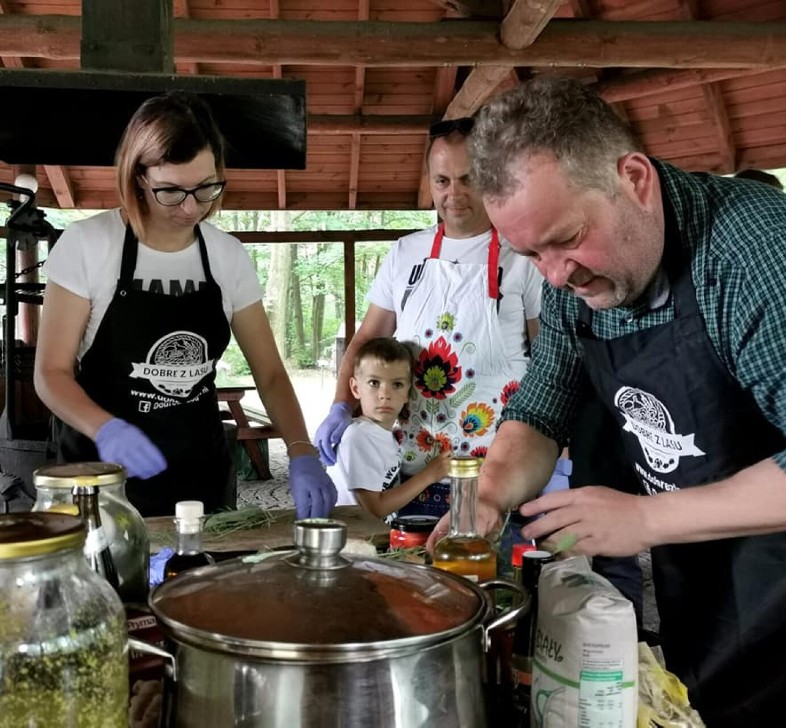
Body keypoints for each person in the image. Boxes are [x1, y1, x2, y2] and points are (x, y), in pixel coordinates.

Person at [425, 76, 786, 727]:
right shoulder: (575, 280)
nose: (556, 275)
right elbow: (541, 409)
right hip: (711, 574)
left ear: (635, 178)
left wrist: (649, 521)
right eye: (529, 253)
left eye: (567, 239)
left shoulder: (770, 258)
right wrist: (488, 494)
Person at [34, 91, 336, 520]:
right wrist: (107, 428)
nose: (192, 207)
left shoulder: (227, 255)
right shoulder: (88, 245)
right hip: (101, 479)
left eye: (206, 187)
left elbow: (268, 372)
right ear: (138, 177)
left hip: (198, 477)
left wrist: (302, 450)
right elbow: (50, 374)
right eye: (171, 191)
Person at [314, 117, 543, 518]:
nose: (454, 194)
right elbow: (366, 340)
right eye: (442, 181)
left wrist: (555, 443)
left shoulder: (523, 256)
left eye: (467, 179)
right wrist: (339, 405)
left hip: (495, 470)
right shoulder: (405, 253)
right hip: (410, 469)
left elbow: (547, 358)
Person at [328, 336, 450, 519]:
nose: (385, 395)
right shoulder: (358, 437)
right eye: (374, 383)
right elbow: (375, 509)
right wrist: (430, 474)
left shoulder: (385, 436)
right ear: (355, 388)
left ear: (408, 393)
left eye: (397, 385)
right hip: (351, 540)